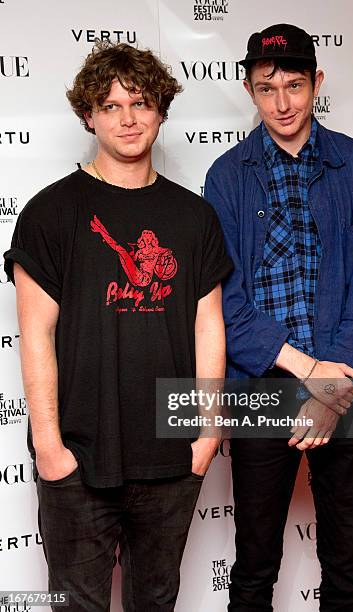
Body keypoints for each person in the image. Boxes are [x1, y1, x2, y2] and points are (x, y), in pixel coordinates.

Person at [4, 41, 233, 611]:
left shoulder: (194, 216)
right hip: (78, 460)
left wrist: (205, 434)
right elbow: (34, 336)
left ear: (161, 110)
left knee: (155, 604)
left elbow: (209, 327)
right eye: (110, 106)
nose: (128, 119)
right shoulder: (50, 212)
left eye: (141, 103)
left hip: (172, 456)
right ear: (88, 114)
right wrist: (50, 446)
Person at [204, 23, 353, 612]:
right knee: (255, 566)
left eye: (294, 85)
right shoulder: (226, 177)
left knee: (346, 568)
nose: (282, 103)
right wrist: (309, 370)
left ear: (318, 81)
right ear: (248, 89)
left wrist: (333, 388)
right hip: (264, 385)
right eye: (266, 88)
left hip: (345, 383)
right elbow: (225, 302)